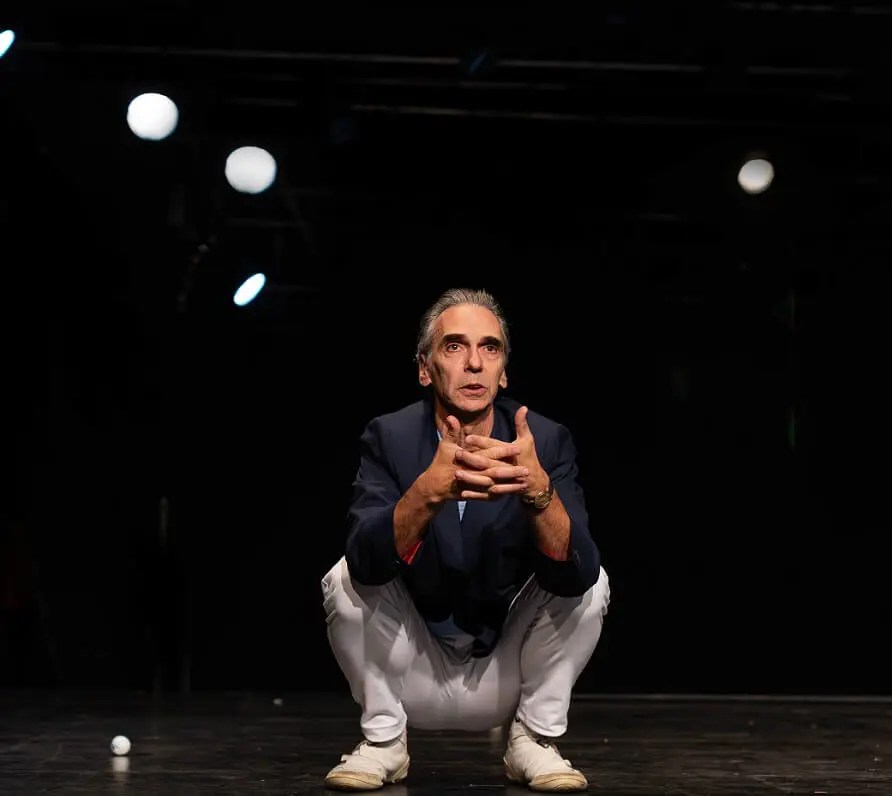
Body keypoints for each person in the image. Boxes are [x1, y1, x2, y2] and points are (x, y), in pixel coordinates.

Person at [321, 287, 610, 792]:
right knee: (342, 578)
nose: (474, 363)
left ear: (504, 372)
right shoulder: (390, 437)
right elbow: (365, 562)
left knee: (595, 583)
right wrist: (426, 493)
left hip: (503, 672)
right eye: (454, 346)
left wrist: (538, 492)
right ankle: (384, 742)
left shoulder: (543, 440)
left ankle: (534, 739)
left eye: (489, 348)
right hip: (412, 669)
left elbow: (577, 574)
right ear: (425, 368)